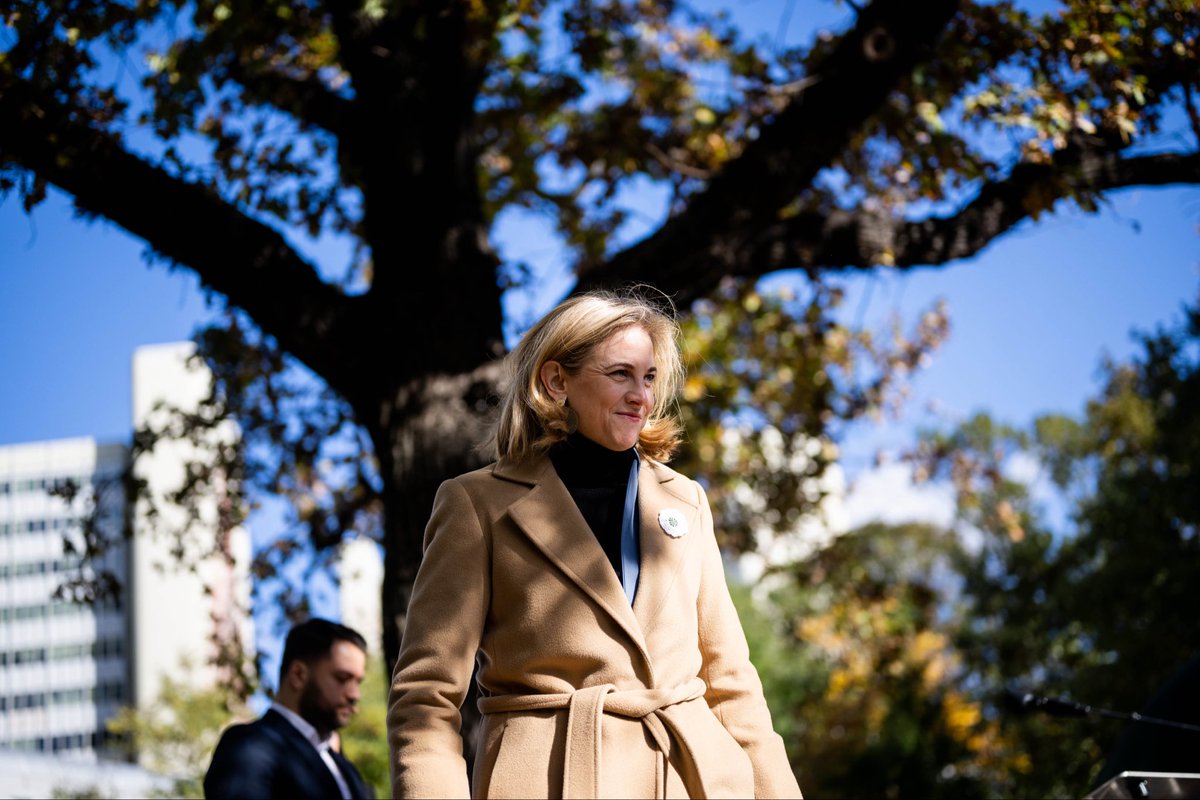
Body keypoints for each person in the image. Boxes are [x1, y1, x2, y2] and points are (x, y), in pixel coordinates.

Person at [387, 289, 803, 799]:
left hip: (692, 779)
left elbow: (732, 683)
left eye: (649, 378)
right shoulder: (477, 503)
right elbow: (426, 699)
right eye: (620, 374)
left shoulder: (686, 501)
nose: (641, 396)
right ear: (557, 379)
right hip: (548, 781)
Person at [205, 618, 375, 800]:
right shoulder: (250, 745)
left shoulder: (344, 769)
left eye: (358, 682)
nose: (354, 695)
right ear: (298, 674)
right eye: (342, 678)